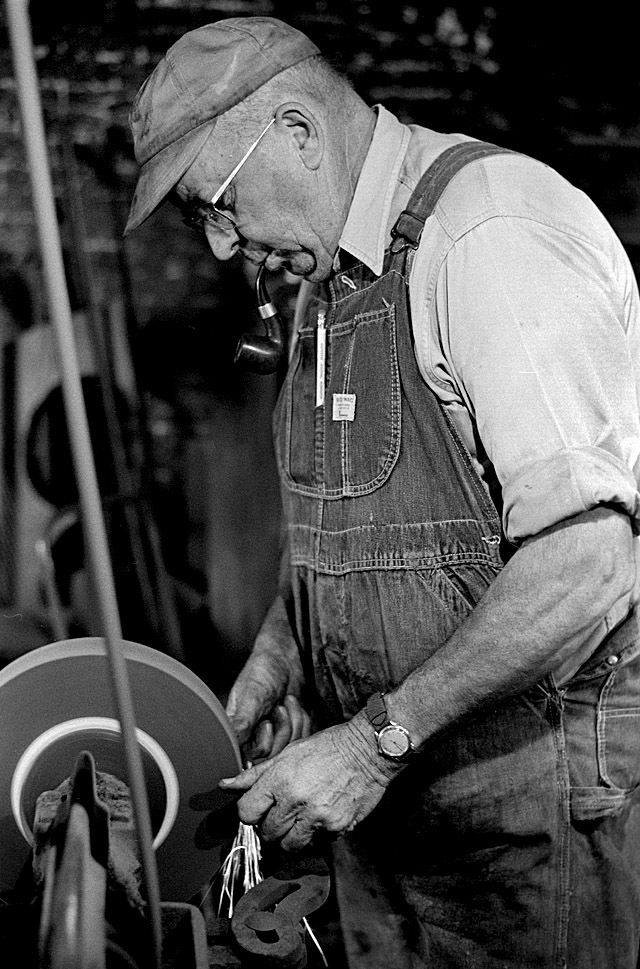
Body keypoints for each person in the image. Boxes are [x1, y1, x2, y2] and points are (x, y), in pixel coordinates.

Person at [124, 17, 640, 969]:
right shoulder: (327, 284)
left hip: (533, 828)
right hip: (391, 826)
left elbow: (588, 561)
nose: (223, 248)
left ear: (297, 131)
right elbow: (349, 524)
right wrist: (285, 655)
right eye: (202, 223)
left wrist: (371, 746)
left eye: (218, 207)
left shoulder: (489, 235)